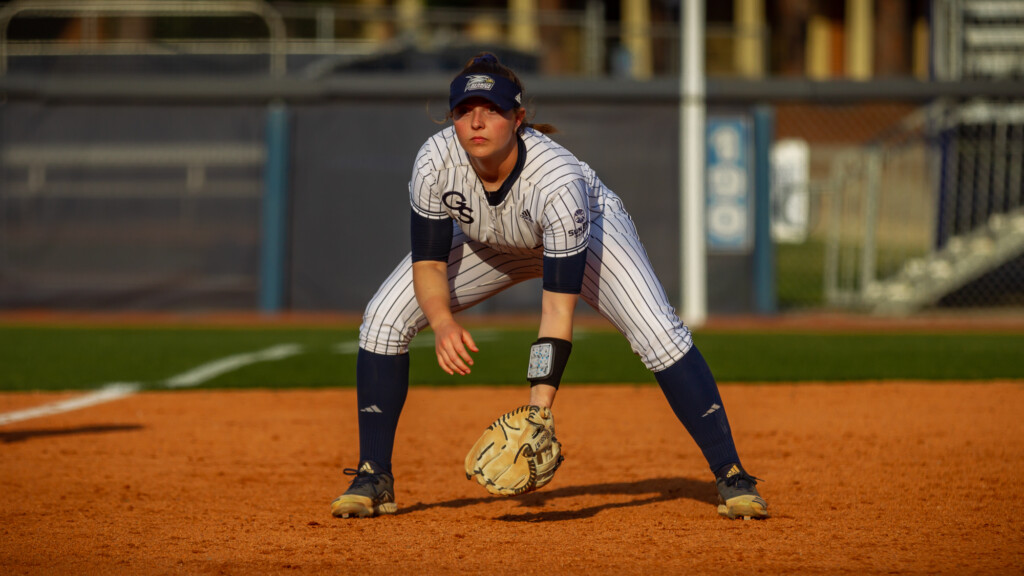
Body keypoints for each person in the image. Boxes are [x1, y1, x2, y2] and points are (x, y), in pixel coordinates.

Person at [330, 52, 769, 521]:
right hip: (488, 240)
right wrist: (441, 322)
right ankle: (373, 475)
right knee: (383, 320)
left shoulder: (556, 182)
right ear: (452, 116)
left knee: (659, 334)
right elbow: (430, 265)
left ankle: (732, 474)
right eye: (464, 110)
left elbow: (558, 312)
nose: (476, 120)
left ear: (518, 118)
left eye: (492, 109)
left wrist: (540, 407)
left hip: (587, 230)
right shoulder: (435, 161)